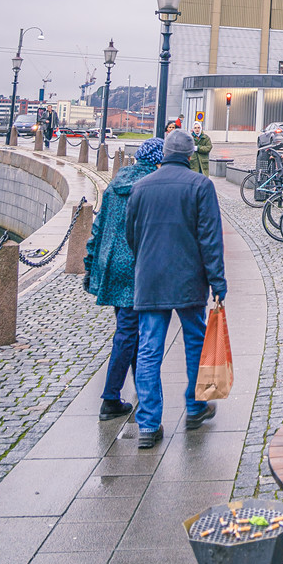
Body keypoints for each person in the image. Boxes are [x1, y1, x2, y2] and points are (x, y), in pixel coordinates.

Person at [125, 128, 227, 449]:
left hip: (150, 280)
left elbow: (132, 236)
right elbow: (210, 240)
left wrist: (146, 263)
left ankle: (148, 424)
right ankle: (195, 407)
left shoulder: (140, 188)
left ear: (165, 153)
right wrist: (217, 283)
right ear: (188, 155)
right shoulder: (200, 186)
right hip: (188, 280)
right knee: (195, 344)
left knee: (149, 351)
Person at [83, 138, 163, 420]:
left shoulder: (117, 182)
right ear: (157, 161)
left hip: (111, 265)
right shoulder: (152, 186)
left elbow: (99, 226)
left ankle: (140, 386)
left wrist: (90, 265)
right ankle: (110, 398)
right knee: (128, 333)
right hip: (134, 266)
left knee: (129, 329)